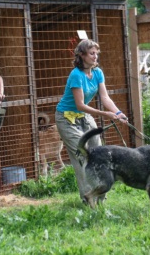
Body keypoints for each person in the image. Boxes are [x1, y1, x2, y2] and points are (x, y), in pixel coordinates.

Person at [55, 39, 128, 203]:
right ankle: (88, 200)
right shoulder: (76, 75)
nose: (95, 57)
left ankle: (101, 197)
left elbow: (105, 98)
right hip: (66, 118)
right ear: (81, 55)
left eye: (96, 53)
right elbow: (80, 105)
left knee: (98, 154)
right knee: (82, 156)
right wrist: (105, 114)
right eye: (91, 53)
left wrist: (117, 112)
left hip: (84, 116)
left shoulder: (97, 73)